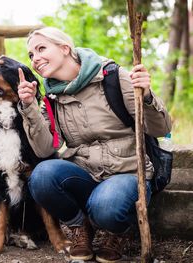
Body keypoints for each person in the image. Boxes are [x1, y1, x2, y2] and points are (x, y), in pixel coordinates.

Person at [17, 27, 172, 263]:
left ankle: (117, 231)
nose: (35, 59)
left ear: (64, 48)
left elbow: (160, 128)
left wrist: (148, 96)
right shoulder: (51, 97)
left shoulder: (112, 76)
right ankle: (81, 228)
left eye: (41, 49)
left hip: (127, 172)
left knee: (107, 208)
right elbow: (45, 149)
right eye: (30, 55)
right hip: (85, 174)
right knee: (41, 176)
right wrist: (29, 106)